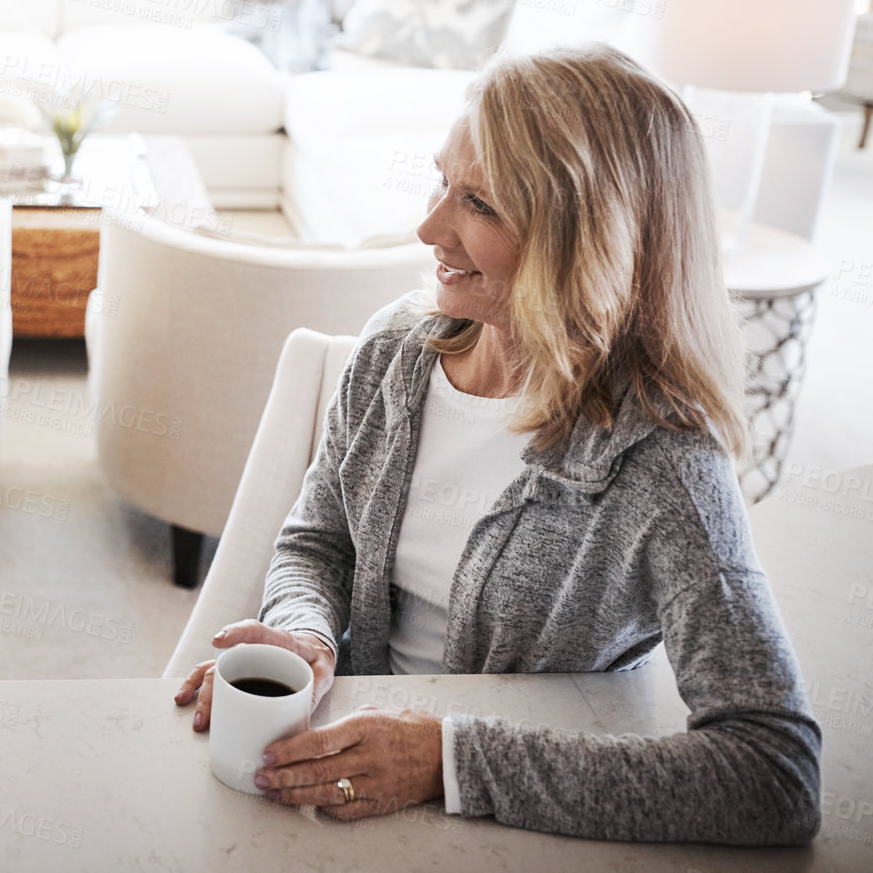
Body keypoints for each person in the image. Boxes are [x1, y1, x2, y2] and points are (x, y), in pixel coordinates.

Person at [175, 44, 821, 846]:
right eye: (441, 182)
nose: (429, 228)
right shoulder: (396, 353)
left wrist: (446, 760)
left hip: (527, 821)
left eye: (479, 204)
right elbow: (319, 541)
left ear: (587, 241)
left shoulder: (664, 464)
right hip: (354, 763)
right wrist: (308, 634)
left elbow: (776, 773)